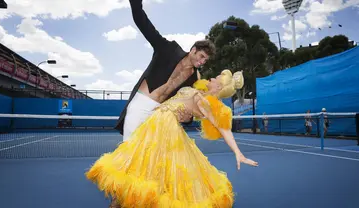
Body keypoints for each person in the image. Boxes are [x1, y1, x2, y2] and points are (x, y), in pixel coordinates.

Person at [86, 70, 259, 208]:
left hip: (166, 131)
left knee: (156, 168)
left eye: (216, 78)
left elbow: (223, 128)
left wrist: (238, 153)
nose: (212, 78)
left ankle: (133, 202)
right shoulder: (197, 88)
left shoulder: (206, 103)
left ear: (219, 87)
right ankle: (123, 201)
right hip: (152, 125)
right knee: (139, 162)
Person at [114, 0, 216, 142]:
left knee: (151, 157)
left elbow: (188, 104)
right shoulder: (169, 49)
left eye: (205, 60)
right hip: (141, 104)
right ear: (193, 50)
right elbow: (143, 23)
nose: (202, 62)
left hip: (160, 114)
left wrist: (188, 118)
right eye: (201, 56)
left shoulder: (195, 78)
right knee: (129, 153)